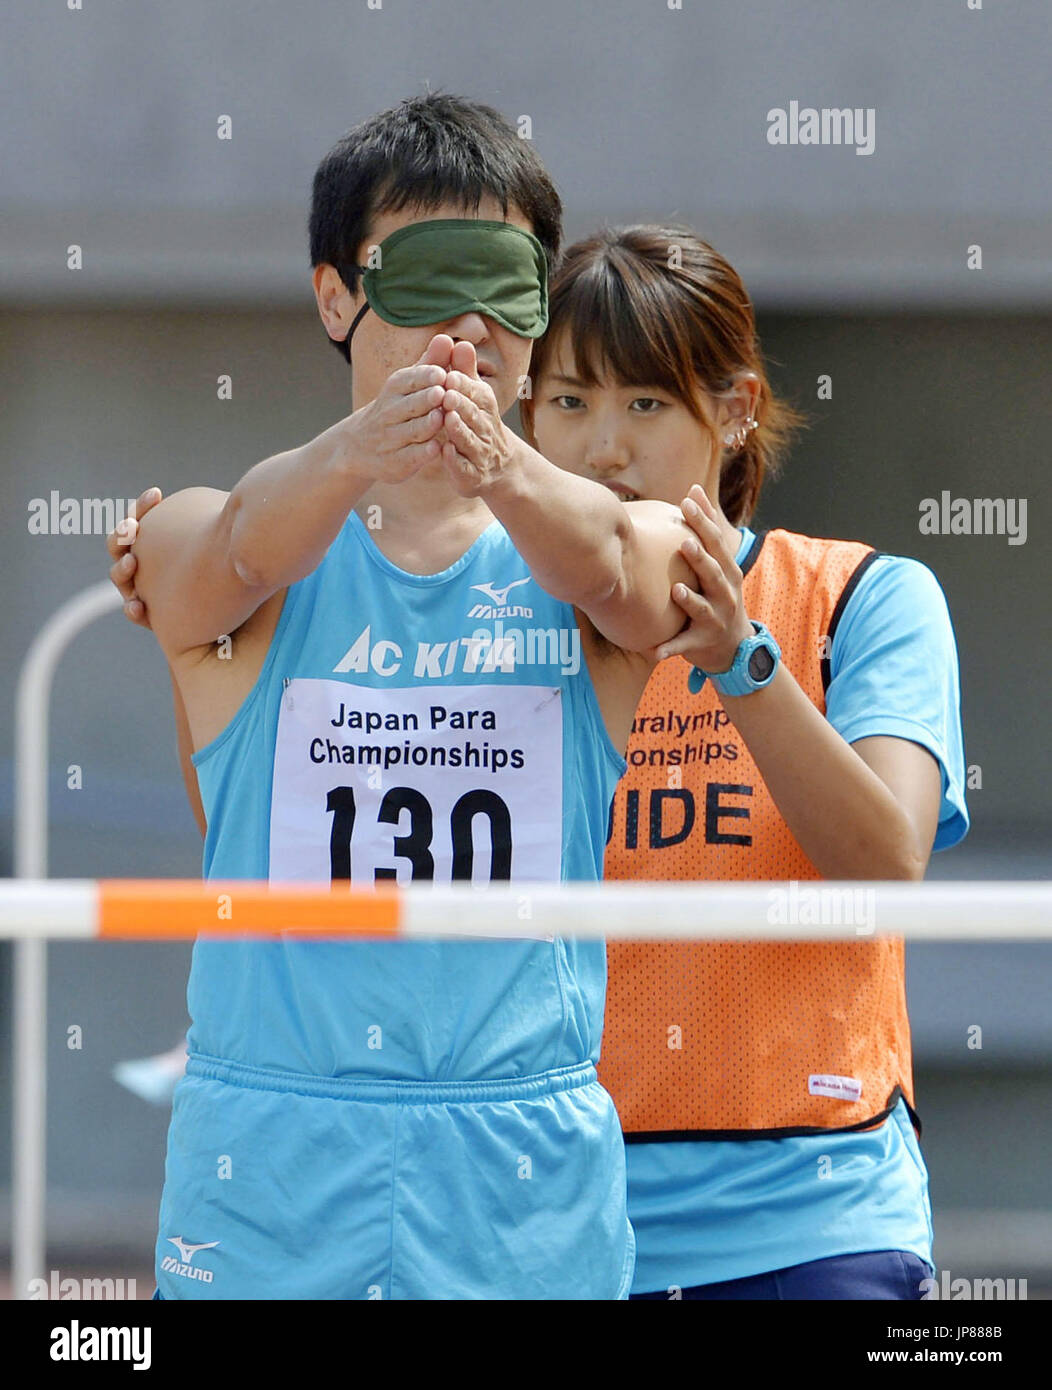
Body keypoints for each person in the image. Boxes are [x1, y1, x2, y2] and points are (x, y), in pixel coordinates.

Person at [108, 94, 713, 1300]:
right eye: (429, 280)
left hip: (516, 1147)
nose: (469, 329)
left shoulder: (605, 556)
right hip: (274, 1143)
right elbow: (212, 555)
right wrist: (355, 455)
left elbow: (630, 577)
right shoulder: (222, 548)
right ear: (337, 297)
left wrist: (503, 465)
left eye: (505, 288)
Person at [519, 225, 969, 1300]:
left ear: (733, 411)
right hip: (542, 1223)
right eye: (567, 402)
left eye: (644, 403)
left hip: (812, 1229)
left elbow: (883, 865)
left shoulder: (862, 597)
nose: (601, 450)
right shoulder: (494, 616)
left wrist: (742, 665)